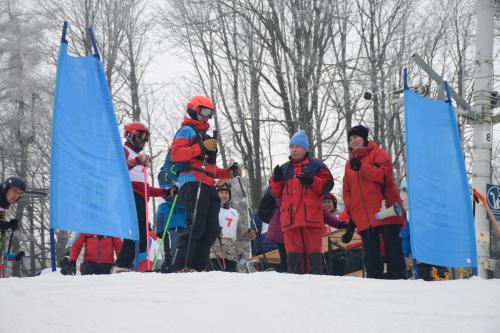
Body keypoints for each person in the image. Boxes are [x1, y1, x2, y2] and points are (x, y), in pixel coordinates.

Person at [170, 96, 241, 272]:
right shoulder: (187, 131)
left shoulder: (205, 136)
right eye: (204, 112)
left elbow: (211, 168)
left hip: (208, 183)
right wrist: (200, 147)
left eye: (210, 113)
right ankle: (180, 265)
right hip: (193, 181)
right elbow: (176, 154)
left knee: (211, 227)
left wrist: (228, 172)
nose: (207, 117)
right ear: (194, 110)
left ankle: (197, 266)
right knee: (196, 224)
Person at [342, 125, 406, 279]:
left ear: (364, 138)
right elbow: (347, 191)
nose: (353, 141)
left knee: (392, 246)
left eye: (356, 137)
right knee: (370, 252)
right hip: (364, 216)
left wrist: (362, 168)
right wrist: (352, 217)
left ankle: (397, 276)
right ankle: (373, 279)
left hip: (386, 210)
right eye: (350, 139)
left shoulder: (378, 153)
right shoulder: (349, 164)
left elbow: (384, 176)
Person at [113, 122, 176, 273]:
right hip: (129, 197)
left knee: (141, 240)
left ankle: (124, 266)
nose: (144, 141)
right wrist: (136, 161)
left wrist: (166, 192)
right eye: (141, 136)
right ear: (130, 134)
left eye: (146, 138)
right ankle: (121, 265)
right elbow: (118, 169)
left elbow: (146, 189)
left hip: (140, 198)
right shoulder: (124, 150)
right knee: (136, 235)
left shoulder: (137, 157)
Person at [269, 130, 334, 274]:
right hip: (290, 223)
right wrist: (276, 180)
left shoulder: (316, 166)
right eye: (292, 146)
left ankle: (317, 290)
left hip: (311, 220)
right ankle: (295, 293)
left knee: (314, 261)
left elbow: (328, 185)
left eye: (297, 146)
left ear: (305, 149)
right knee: (293, 262)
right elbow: (275, 192)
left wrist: (312, 181)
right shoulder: (284, 168)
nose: (294, 149)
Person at [209, 181, 256, 272]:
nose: (224, 195)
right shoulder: (211, 209)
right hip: (215, 253)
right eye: (221, 193)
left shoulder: (234, 213)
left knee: (231, 281)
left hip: (231, 254)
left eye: (226, 193)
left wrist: (247, 234)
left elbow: (238, 233)